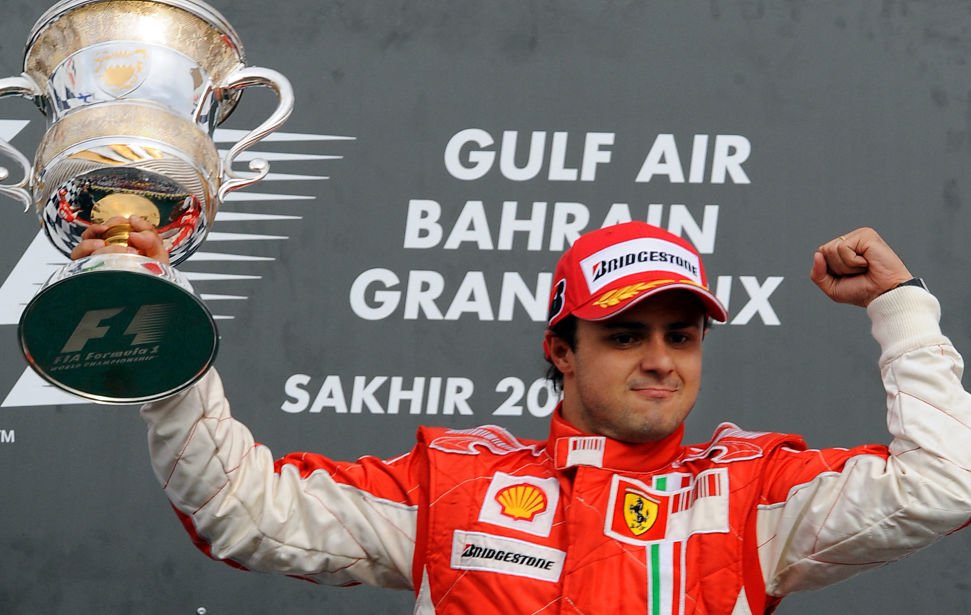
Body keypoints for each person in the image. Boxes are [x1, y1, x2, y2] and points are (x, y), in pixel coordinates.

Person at [73, 218, 971, 614]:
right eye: (624, 334)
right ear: (560, 349)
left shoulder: (749, 494)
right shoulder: (456, 482)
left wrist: (901, 308)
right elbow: (239, 510)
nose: (660, 358)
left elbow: (945, 484)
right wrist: (163, 333)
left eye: (682, 334)